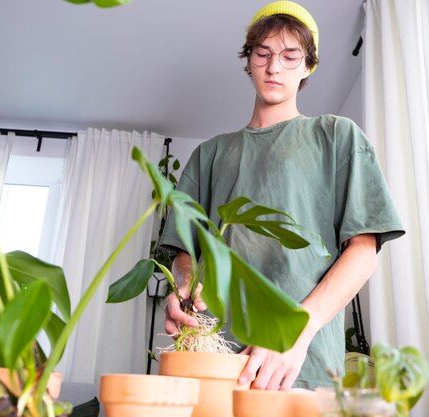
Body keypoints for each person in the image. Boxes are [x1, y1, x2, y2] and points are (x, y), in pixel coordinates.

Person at [160, 0, 405, 391]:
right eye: (264, 53)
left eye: (291, 56)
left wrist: (297, 331)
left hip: (299, 364)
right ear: (249, 61)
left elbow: (364, 249)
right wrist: (184, 288)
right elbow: (184, 252)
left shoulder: (337, 136)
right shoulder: (209, 155)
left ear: (309, 65)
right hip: (215, 360)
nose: (275, 67)